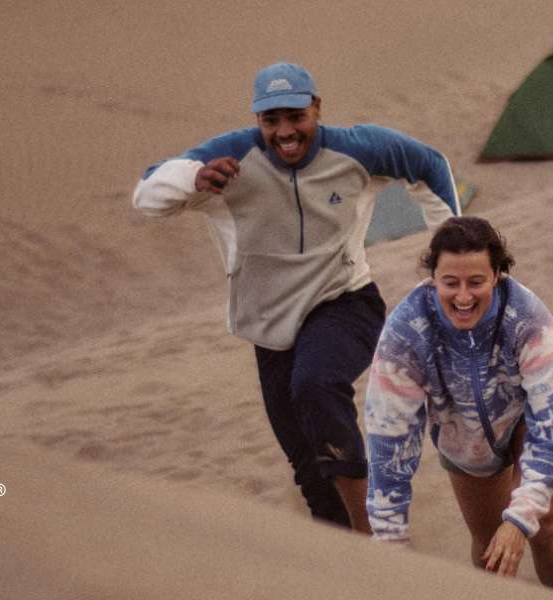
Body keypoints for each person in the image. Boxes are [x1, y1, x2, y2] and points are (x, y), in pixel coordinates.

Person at [131, 62, 462, 533]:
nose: (285, 131)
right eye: (271, 120)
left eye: (296, 116)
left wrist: (454, 254)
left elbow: (429, 165)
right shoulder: (230, 159)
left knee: (316, 383)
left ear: (317, 108)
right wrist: (194, 178)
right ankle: (343, 555)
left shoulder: (357, 149)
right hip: (270, 327)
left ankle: (374, 533)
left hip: (345, 301)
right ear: (257, 120)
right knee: (307, 462)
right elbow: (146, 195)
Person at [363, 216, 553, 595]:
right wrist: (389, 537)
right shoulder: (406, 332)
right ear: (433, 278)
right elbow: (389, 434)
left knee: (542, 522)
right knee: (488, 540)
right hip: (459, 423)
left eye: (476, 282)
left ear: (497, 275)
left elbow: (552, 426)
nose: (463, 297)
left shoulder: (527, 317)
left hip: (534, 410)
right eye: (450, 283)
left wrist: (520, 520)